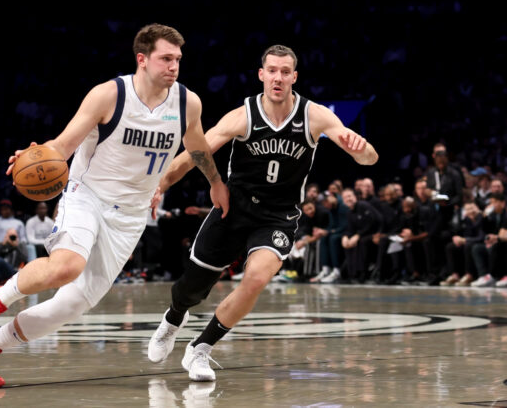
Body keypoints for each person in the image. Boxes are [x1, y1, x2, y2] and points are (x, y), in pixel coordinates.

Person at [0, 24, 228, 389]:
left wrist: (216, 183)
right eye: (166, 58)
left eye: (178, 59)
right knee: (67, 266)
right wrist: (39, 154)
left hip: (131, 214)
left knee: (72, 304)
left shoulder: (187, 103)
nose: (174, 66)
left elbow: (197, 147)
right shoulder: (109, 95)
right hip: (88, 196)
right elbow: (64, 145)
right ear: (142, 59)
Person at [147, 45, 378, 381]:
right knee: (191, 289)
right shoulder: (243, 115)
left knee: (256, 279)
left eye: (285, 72)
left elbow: (368, 158)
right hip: (234, 208)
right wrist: (161, 184)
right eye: (272, 71)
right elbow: (197, 151)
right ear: (262, 75)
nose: (278, 78)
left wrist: (362, 150)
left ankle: (200, 348)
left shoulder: (315, 116)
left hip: (278, 216)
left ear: (294, 77)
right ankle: (173, 318)